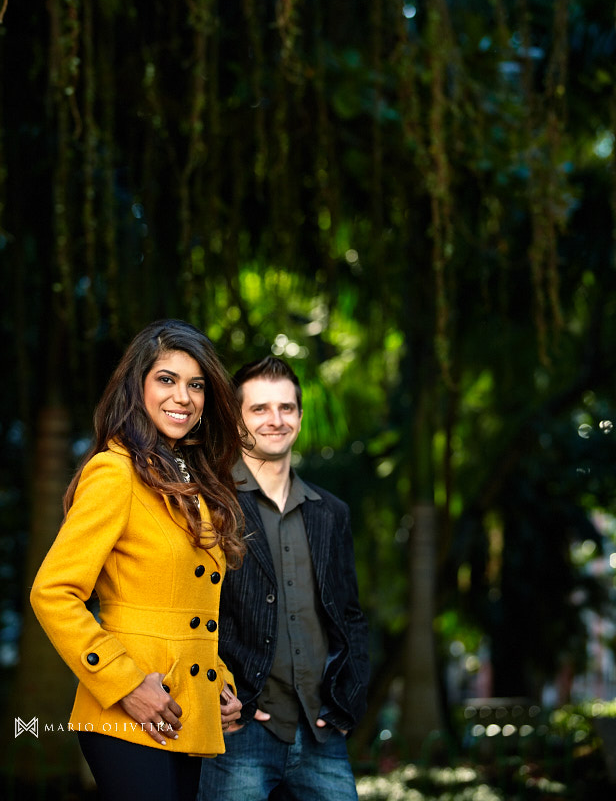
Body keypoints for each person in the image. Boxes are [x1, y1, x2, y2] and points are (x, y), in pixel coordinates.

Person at [30, 319, 245, 801]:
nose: (183, 397)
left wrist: (219, 684)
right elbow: (53, 592)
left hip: (184, 714)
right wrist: (123, 682)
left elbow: (184, 610)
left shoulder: (193, 481)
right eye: (166, 379)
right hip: (125, 713)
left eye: (196, 385)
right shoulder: (114, 472)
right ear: (138, 387)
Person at [197, 356, 369, 801]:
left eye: (286, 408)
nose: (275, 420)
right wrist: (217, 695)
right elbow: (193, 611)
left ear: (300, 416)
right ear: (236, 420)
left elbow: (349, 615)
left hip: (322, 733)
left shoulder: (331, 513)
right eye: (259, 409)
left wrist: (348, 699)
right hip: (240, 730)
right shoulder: (210, 506)